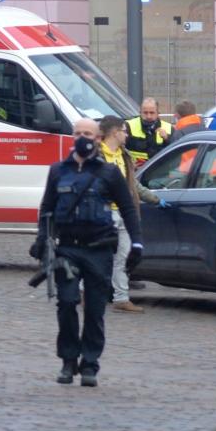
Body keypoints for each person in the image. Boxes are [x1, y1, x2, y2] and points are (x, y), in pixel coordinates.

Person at [31, 117, 143, 388]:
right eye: (78, 133)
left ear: (98, 138)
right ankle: (68, 361)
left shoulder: (108, 173)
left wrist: (137, 243)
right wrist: (42, 240)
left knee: (94, 310)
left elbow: (127, 207)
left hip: (99, 249)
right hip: (67, 248)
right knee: (67, 303)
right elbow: (47, 208)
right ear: (72, 136)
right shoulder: (58, 171)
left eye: (88, 134)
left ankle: (90, 363)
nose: (83, 137)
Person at [97, 115, 161, 312]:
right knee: (98, 256)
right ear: (115, 133)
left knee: (123, 257)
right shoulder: (97, 155)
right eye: (124, 131)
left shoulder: (124, 155)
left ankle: (121, 298)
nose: (127, 135)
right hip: (103, 213)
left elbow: (134, 185)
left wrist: (154, 198)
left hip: (124, 213)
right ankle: (85, 291)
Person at [125, 97, 172, 167]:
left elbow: (174, 152)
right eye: (145, 113)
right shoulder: (128, 126)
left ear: (158, 113)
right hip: (135, 171)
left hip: (159, 171)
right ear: (140, 112)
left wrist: (167, 139)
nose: (148, 116)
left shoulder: (168, 128)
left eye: (152, 113)